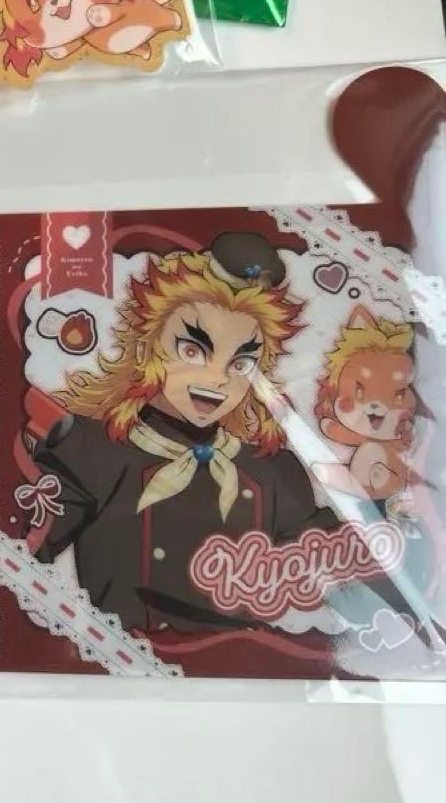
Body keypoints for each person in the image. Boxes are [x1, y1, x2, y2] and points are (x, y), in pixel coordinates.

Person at [31, 232, 339, 632]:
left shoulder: (272, 471)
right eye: (192, 351)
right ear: (147, 348)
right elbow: (17, 559)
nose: (217, 379)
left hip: (250, 663)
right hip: (121, 663)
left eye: (241, 364)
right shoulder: (89, 451)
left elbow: (333, 573)